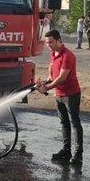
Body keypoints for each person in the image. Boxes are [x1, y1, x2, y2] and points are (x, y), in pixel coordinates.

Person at [36, 29, 83, 165]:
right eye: (46, 42)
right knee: (64, 123)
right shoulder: (53, 53)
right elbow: (52, 76)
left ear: (58, 40)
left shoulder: (68, 55)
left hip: (71, 94)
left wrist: (47, 88)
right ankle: (66, 150)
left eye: (50, 42)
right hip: (59, 94)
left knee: (75, 123)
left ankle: (78, 154)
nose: (48, 45)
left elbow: (62, 78)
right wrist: (45, 82)